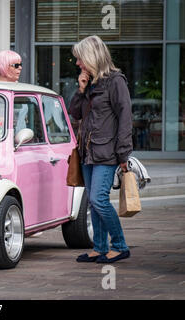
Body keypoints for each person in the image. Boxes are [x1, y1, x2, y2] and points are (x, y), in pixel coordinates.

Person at [69, 35, 133, 264]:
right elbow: (74, 114)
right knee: (93, 203)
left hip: (107, 152)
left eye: (80, 59)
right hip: (87, 152)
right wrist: (81, 89)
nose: (77, 64)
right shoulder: (91, 83)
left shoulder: (115, 81)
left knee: (99, 199)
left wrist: (124, 153)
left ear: (91, 57)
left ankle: (120, 245)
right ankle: (99, 247)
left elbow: (125, 118)